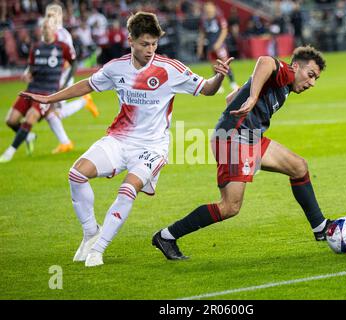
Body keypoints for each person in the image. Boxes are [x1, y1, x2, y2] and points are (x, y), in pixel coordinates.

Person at [21, 12, 234, 267]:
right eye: (145, 44)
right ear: (130, 40)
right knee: (76, 174)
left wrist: (219, 76)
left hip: (152, 147)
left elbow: (207, 89)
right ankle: (91, 232)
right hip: (119, 140)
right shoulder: (116, 68)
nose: (150, 49)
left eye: (154, 44)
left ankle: (98, 249)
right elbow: (87, 85)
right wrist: (49, 98)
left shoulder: (169, 68)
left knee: (127, 188)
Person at [152, 45, 346, 260]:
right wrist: (251, 97)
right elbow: (266, 60)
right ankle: (167, 236)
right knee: (230, 207)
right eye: (310, 75)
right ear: (296, 66)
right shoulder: (285, 73)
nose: (312, 83)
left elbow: (230, 98)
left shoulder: (286, 86)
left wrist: (245, 97)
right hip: (233, 137)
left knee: (298, 167)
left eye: (316, 79)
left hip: (250, 137)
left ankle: (320, 228)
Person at [0, 17, 76, 163]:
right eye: (43, 28)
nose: (45, 30)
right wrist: (28, 74)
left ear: (54, 30)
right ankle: (29, 137)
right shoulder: (36, 47)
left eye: (47, 28)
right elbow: (32, 67)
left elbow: (74, 63)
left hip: (48, 92)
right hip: (32, 88)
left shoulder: (62, 47)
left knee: (30, 117)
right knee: (10, 121)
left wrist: (65, 82)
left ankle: (10, 152)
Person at [44, 3, 100, 154]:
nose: (50, 17)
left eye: (53, 14)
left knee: (51, 113)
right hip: (52, 79)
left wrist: (64, 82)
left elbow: (71, 61)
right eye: (48, 14)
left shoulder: (63, 35)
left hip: (61, 78)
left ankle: (66, 141)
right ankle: (66, 141)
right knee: (50, 112)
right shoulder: (48, 34)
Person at [197, 1, 238, 92]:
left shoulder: (219, 18)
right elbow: (202, 34)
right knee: (214, 66)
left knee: (225, 64)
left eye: (209, 7)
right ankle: (218, 85)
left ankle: (233, 83)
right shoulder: (204, 20)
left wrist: (219, 43)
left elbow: (224, 30)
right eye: (206, 7)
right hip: (210, 46)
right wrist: (200, 47)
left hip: (220, 46)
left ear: (213, 8)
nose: (208, 9)